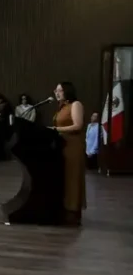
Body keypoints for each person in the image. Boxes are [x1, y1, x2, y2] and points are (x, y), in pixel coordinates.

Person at [53, 82, 86, 225]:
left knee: (72, 177)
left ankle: (73, 212)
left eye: (60, 90)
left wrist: (56, 129)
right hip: (62, 145)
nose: (57, 93)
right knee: (65, 177)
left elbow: (78, 125)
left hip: (73, 145)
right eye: (56, 90)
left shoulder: (75, 105)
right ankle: (64, 209)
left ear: (67, 91)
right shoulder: (62, 107)